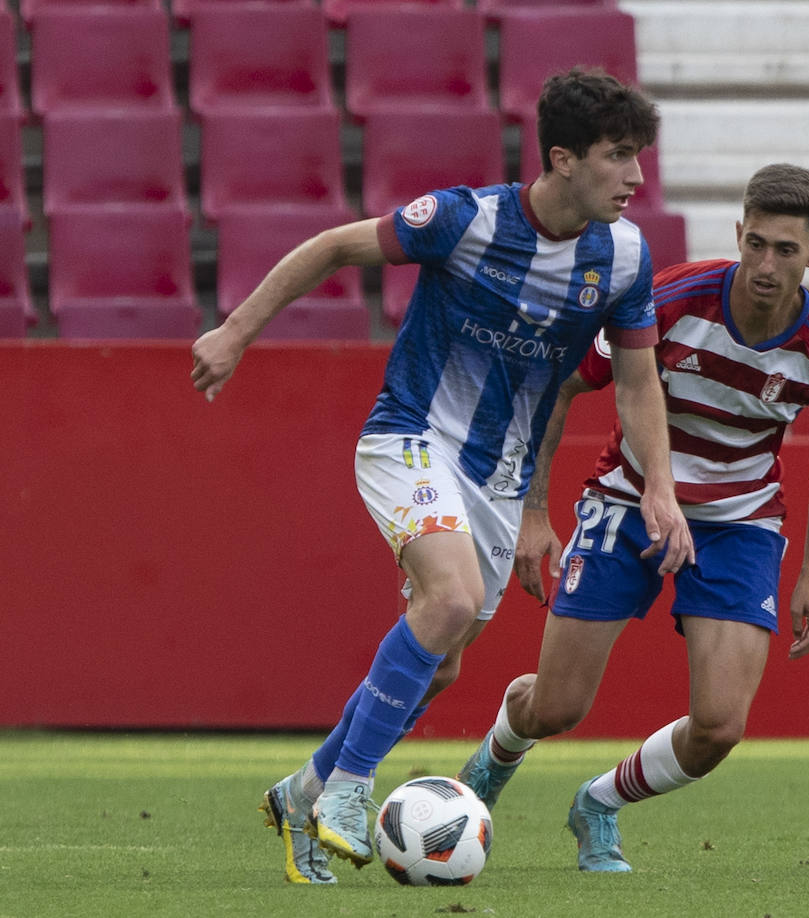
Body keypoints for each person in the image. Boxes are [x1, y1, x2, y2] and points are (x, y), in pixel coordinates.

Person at [189, 68, 694, 885]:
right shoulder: (464, 218)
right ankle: (348, 792)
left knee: (445, 660)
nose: (637, 178)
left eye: (640, 157)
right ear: (562, 158)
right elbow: (332, 246)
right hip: (412, 437)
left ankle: (304, 790)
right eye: (619, 156)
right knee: (451, 600)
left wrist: (661, 488)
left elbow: (636, 384)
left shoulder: (625, 257)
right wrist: (235, 332)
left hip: (496, 483)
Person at [456, 163, 809, 872]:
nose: (767, 264)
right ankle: (499, 752)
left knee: (720, 727)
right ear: (738, 234)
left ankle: (599, 804)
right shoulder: (671, 298)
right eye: (757, 244)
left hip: (739, 523)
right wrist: (532, 511)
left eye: (786, 251)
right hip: (629, 501)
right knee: (557, 708)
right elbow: (563, 387)